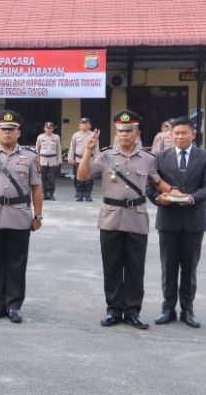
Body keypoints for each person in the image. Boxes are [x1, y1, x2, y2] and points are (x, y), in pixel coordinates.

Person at [77, 110, 170, 330]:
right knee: (111, 266)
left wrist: (178, 194)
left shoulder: (148, 158)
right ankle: (113, 309)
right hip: (110, 218)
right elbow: (82, 176)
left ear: (137, 133)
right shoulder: (106, 155)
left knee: (135, 268)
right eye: (120, 131)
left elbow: (159, 183)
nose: (124, 134)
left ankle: (132, 311)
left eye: (129, 131)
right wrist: (89, 151)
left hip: (137, 219)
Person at [146, 116, 206, 328]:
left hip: (194, 221)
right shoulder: (159, 157)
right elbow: (150, 186)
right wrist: (159, 199)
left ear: (193, 134)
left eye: (183, 133)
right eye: (176, 133)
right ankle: (168, 308)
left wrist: (192, 198)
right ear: (171, 134)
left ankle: (188, 309)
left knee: (189, 268)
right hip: (168, 220)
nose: (179, 137)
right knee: (168, 267)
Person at [0, 110, 43, 323]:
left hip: (20, 216)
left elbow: (36, 189)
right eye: (3, 129)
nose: (7, 133)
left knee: (17, 262)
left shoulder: (30, 157)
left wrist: (38, 216)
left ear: (18, 133)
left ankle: (14, 305)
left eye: (11, 130)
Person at [68, 117, 98, 201]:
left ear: (90, 125)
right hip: (78, 159)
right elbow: (72, 147)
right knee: (78, 178)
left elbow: (96, 149)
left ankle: (88, 194)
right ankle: (79, 193)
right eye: (82, 123)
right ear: (79, 126)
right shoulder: (75, 135)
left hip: (90, 159)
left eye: (86, 123)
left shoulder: (93, 135)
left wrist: (97, 160)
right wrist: (70, 158)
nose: (84, 125)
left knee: (89, 178)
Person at [36, 122, 62, 200]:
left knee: (52, 178)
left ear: (53, 129)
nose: (48, 129)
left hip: (53, 160)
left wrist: (59, 160)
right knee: (42, 178)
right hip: (42, 159)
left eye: (50, 128)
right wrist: (37, 160)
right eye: (47, 128)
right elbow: (37, 149)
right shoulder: (40, 137)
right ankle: (44, 194)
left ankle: (51, 194)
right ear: (44, 129)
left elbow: (59, 149)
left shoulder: (56, 137)